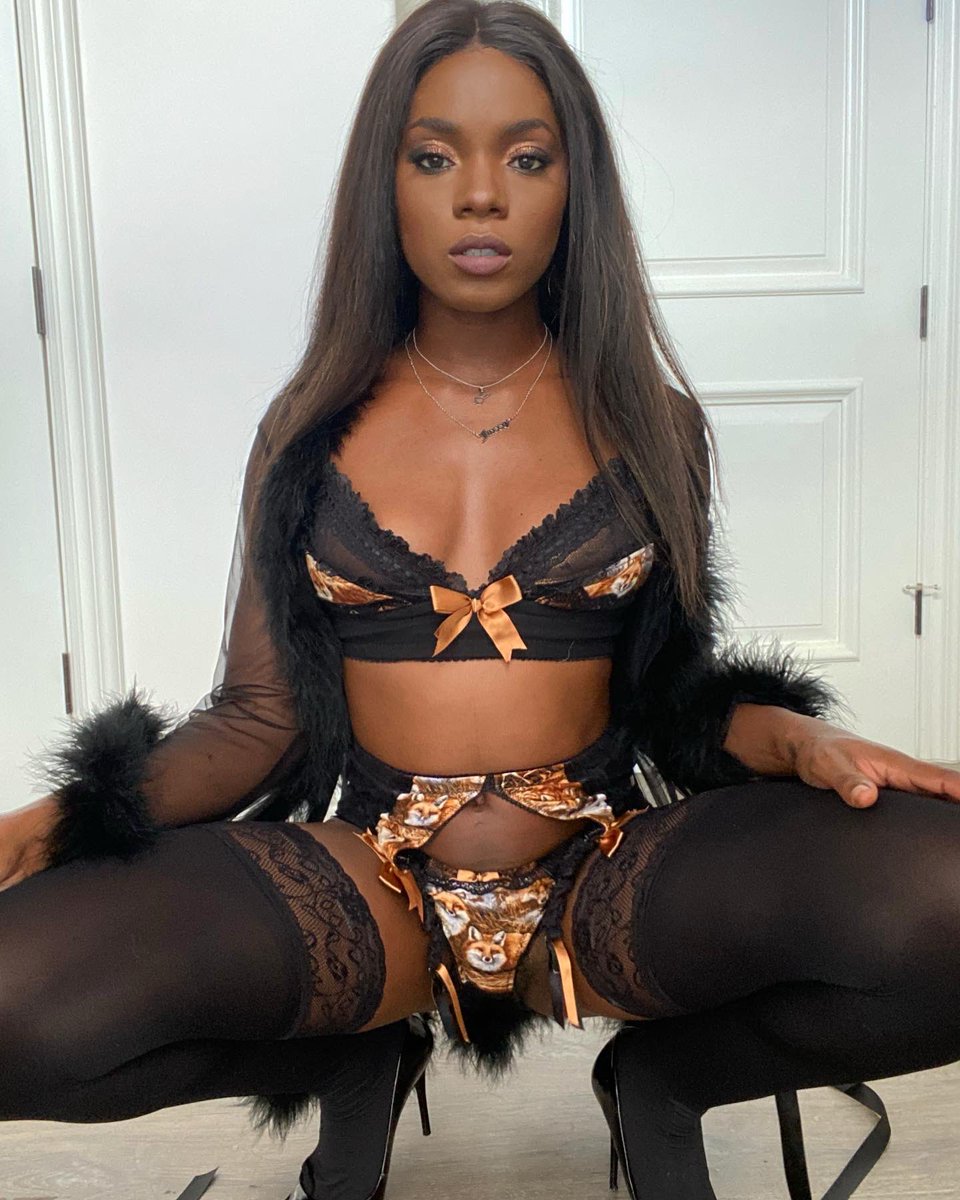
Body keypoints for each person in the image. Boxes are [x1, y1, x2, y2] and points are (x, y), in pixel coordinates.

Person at [3, 3, 960, 1199]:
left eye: (527, 157)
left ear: (574, 187)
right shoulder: (303, 430)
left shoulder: (653, 424)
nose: (480, 197)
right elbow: (256, 721)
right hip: (375, 883)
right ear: (386, 183)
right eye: (433, 155)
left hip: (601, 870)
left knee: (949, 900)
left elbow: (675, 704)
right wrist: (45, 824)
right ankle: (350, 1056)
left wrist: (805, 742)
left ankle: (666, 1085)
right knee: (17, 1002)